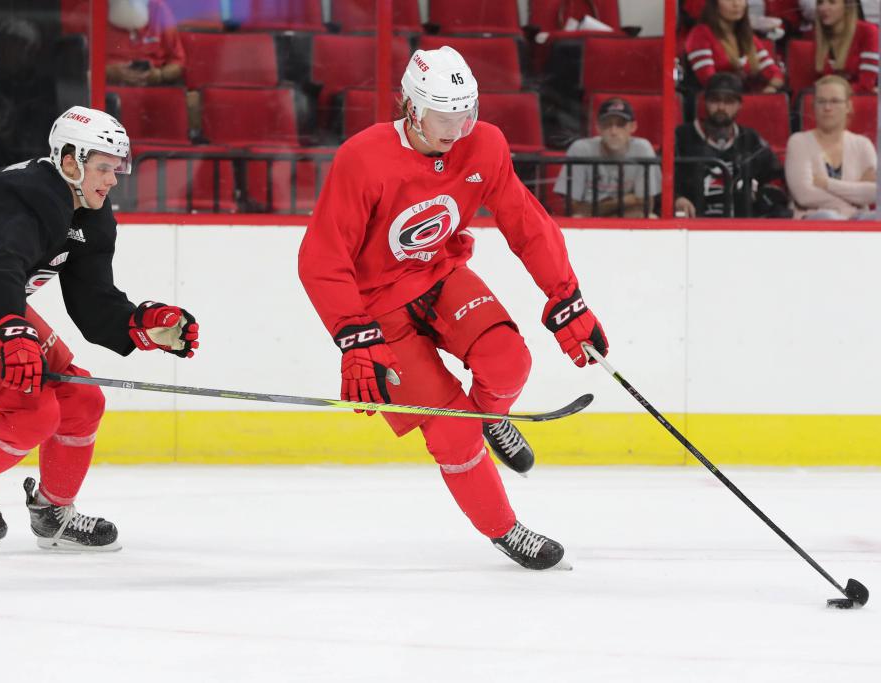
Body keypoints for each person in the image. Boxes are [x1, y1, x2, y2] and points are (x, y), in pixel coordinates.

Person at [297, 46, 608, 571]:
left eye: (468, 113)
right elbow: (320, 258)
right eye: (446, 116)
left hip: (440, 276)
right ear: (412, 109)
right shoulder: (363, 157)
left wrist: (565, 295)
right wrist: (353, 334)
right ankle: (505, 528)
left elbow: (525, 221)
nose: (459, 128)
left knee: (510, 360)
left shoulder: (483, 144)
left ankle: (494, 418)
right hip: (377, 310)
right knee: (453, 431)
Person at [0, 106, 199, 551]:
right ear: (70, 161)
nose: (112, 180)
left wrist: (141, 323)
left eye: (117, 169)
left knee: (83, 399)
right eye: (103, 168)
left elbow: (91, 301)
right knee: (34, 412)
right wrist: (11, 331)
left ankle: (53, 514)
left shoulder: (90, 212)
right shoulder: (26, 197)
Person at [674, 72, 787, 217]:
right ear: (705, 101)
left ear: (739, 105)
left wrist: (761, 198)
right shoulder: (682, 136)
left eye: (728, 101)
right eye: (715, 100)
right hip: (694, 223)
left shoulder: (750, 139)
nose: (721, 107)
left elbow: (775, 180)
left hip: (741, 227)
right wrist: (676, 199)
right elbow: (660, 178)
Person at [785, 75, 877, 218]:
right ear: (813, 106)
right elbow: (804, 195)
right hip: (813, 218)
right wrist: (849, 204)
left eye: (834, 101)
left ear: (848, 106)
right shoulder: (798, 142)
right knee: (829, 217)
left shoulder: (862, 144)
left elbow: (874, 193)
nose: (827, 108)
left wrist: (827, 184)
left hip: (859, 219)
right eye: (821, 101)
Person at [554, 97, 662, 217]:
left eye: (621, 124)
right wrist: (625, 201)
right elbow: (573, 209)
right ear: (598, 128)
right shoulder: (580, 149)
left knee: (650, 217)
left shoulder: (642, 149)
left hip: (621, 221)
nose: (613, 131)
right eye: (607, 124)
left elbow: (646, 207)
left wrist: (598, 209)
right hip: (588, 223)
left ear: (633, 127)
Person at [686, 0, 786, 92]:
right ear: (714, 4)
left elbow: (775, 73)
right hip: (718, 104)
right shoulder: (700, 33)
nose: (736, 4)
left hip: (746, 101)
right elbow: (709, 81)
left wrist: (771, 88)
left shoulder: (747, 36)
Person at [105, 0, 184, 88]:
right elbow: (87, 66)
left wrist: (160, 74)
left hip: (153, 87)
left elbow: (178, 62)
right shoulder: (94, 9)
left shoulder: (159, 9)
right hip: (108, 88)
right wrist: (107, 72)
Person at [813, 0, 879, 94]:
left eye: (832, 2)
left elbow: (866, 85)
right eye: (820, 3)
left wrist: (832, 92)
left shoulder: (868, 32)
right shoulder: (819, 36)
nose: (824, 8)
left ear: (847, 6)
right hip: (833, 100)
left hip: (862, 100)